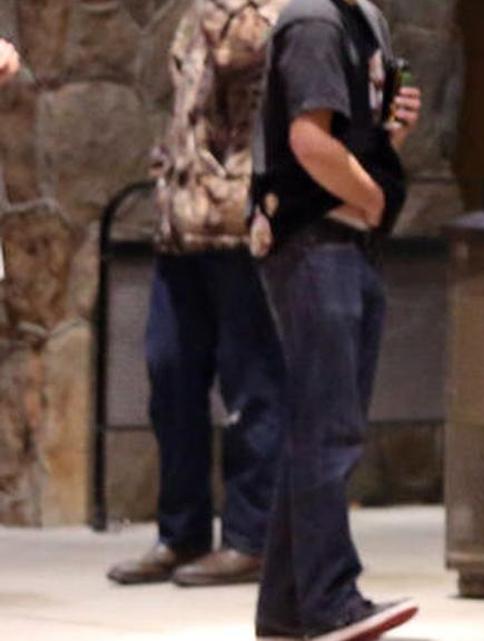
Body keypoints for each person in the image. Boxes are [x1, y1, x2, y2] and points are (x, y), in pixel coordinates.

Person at [249, 0, 421, 638]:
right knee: (328, 428)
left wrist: (389, 138)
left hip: (346, 243)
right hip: (315, 241)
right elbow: (308, 140)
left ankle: (287, 609)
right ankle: (329, 601)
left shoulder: (362, 21)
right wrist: (375, 198)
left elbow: (351, 137)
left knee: (315, 428)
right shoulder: (315, 22)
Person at [106, 0, 288, 588]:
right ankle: (180, 532)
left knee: (251, 387)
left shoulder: (281, 10)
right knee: (170, 376)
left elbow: (242, 49)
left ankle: (250, 536)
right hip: (182, 224)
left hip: (239, 225)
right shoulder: (197, 13)